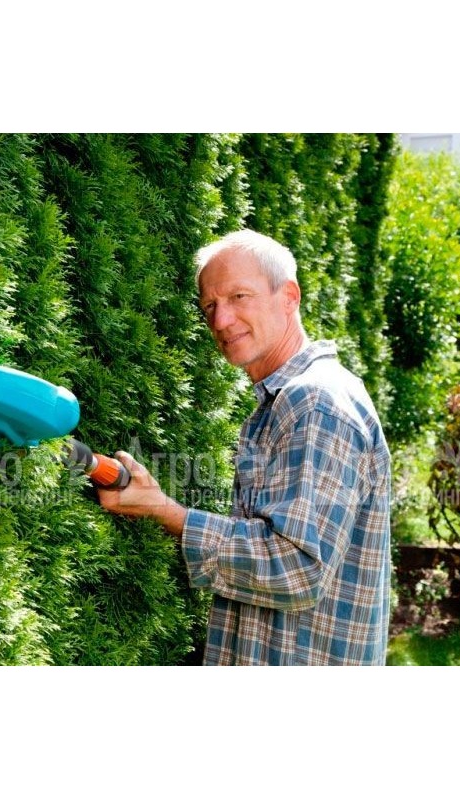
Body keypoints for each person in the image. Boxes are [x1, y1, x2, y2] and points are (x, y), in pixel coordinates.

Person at [97, 229, 391, 666]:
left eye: (239, 297)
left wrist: (164, 511)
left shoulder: (314, 402)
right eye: (209, 306)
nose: (220, 321)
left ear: (288, 297)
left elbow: (297, 567)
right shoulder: (292, 398)